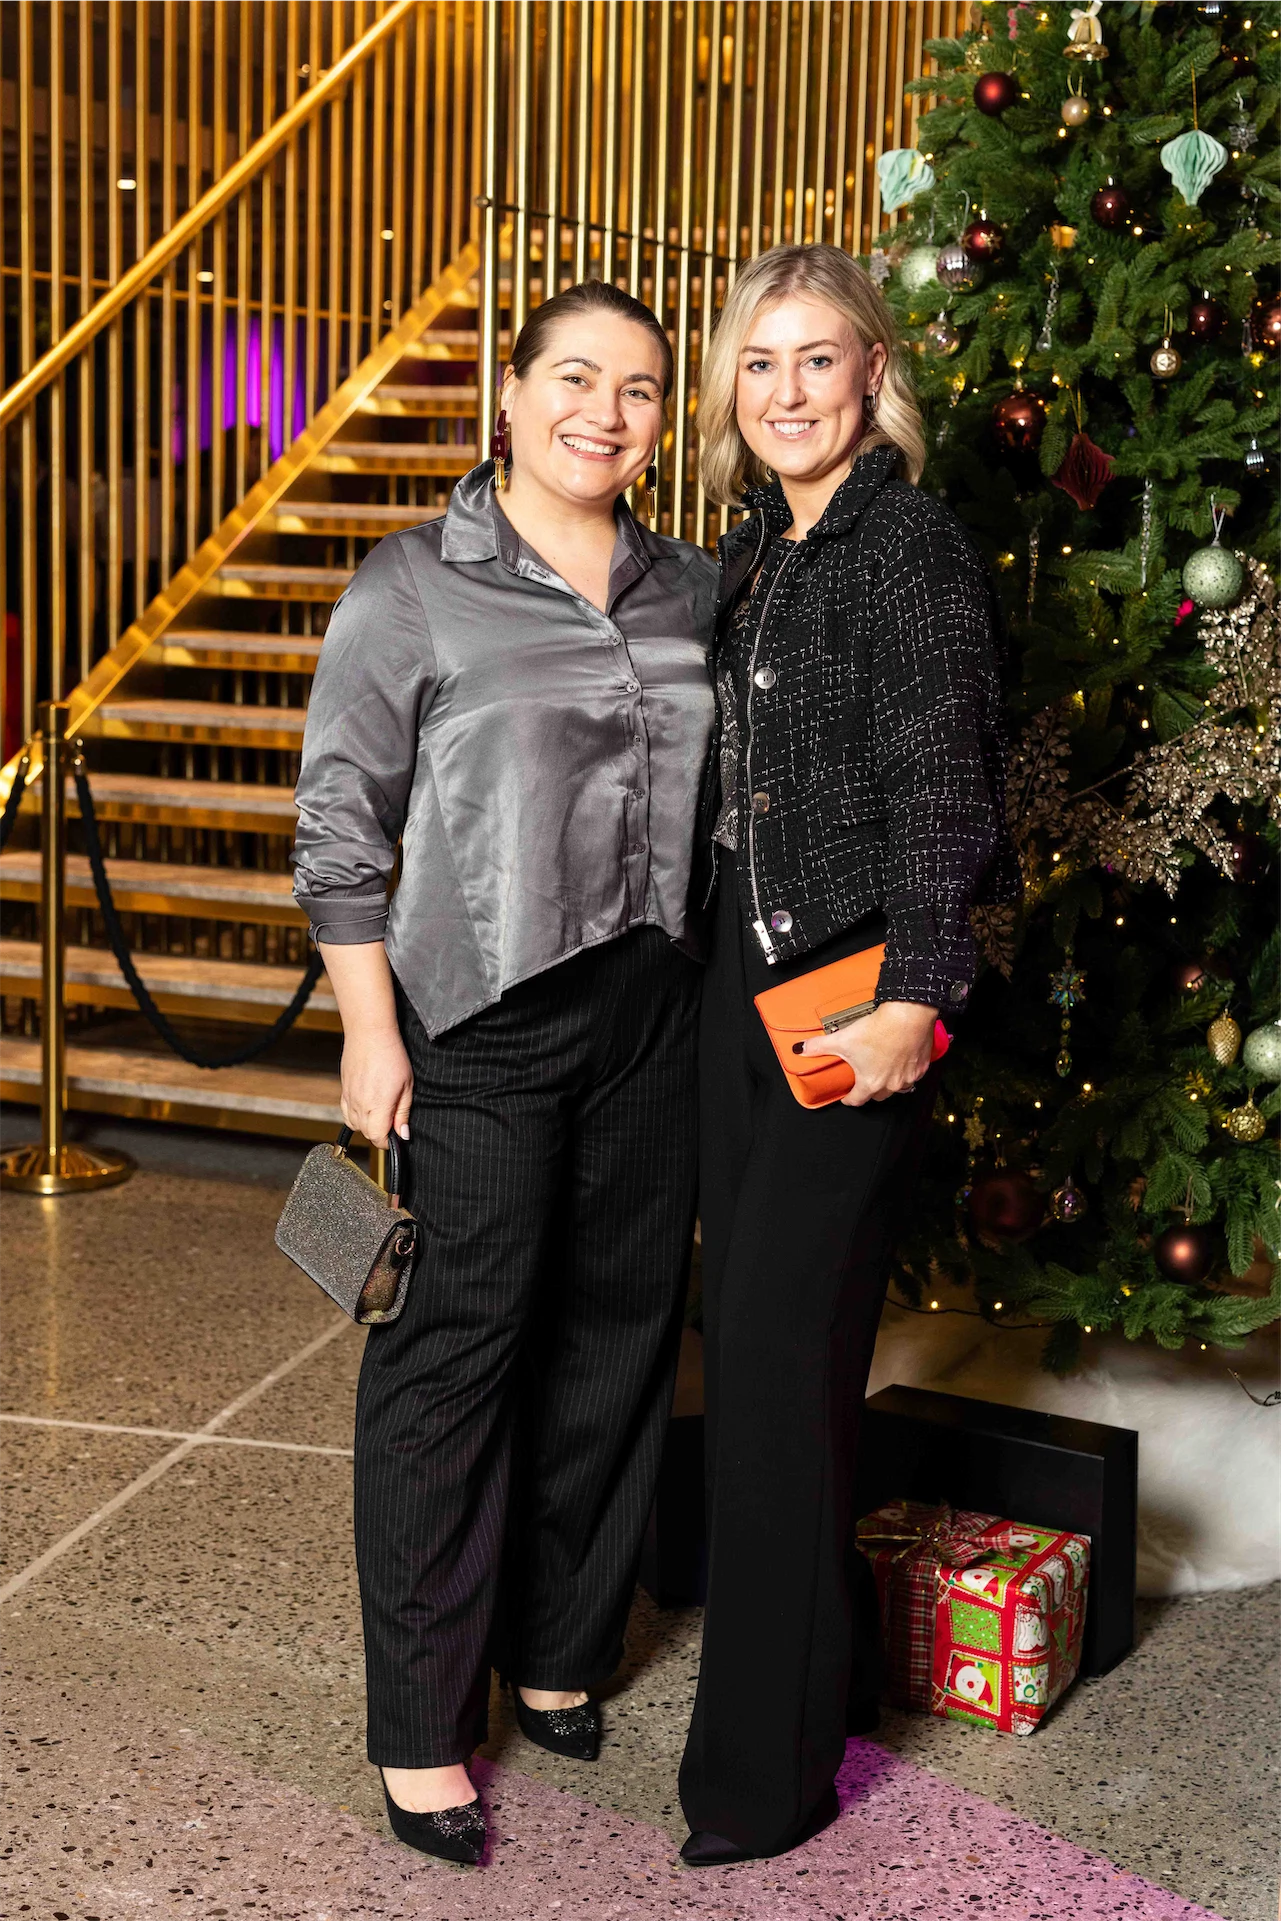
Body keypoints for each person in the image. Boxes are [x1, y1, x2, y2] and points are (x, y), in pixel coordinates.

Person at [291, 280, 718, 1866]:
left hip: (656, 1005)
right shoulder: (414, 582)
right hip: (481, 1014)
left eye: (640, 388)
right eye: (576, 378)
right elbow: (340, 823)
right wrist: (369, 1028)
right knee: (453, 1355)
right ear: (512, 393)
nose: (606, 412)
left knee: (617, 1334)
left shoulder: (694, 587)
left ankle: (559, 1645)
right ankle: (420, 1727)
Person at [676, 244, 1020, 1866]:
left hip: (852, 996)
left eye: (818, 359)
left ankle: (765, 1779)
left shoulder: (910, 546)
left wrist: (915, 998)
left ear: (875, 371)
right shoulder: (758, 546)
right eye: (761, 363)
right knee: (758, 1363)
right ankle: (817, 1688)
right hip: (738, 997)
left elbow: (948, 783)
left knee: (774, 1376)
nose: (788, 391)